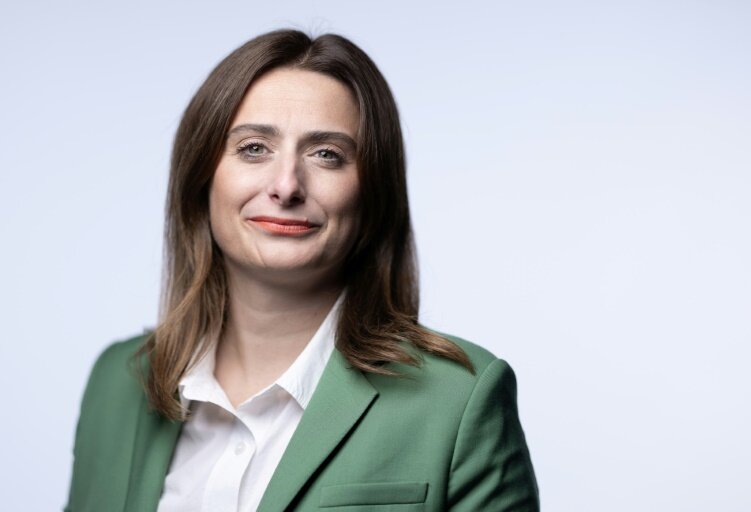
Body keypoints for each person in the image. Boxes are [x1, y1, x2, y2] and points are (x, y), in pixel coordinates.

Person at [64, 28, 539, 512]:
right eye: (254, 148)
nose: (286, 186)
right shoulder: (116, 382)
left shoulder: (457, 400)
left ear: (373, 193)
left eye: (327, 155)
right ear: (201, 178)